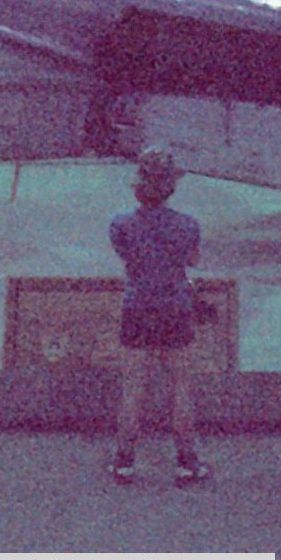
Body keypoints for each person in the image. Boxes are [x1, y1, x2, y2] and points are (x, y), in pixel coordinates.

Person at [108, 148, 209, 487]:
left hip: (137, 309)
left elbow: (126, 256)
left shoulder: (120, 224)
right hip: (176, 309)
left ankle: (124, 462)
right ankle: (186, 462)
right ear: (170, 187)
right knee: (180, 387)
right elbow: (191, 261)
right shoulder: (189, 225)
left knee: (133, 388)